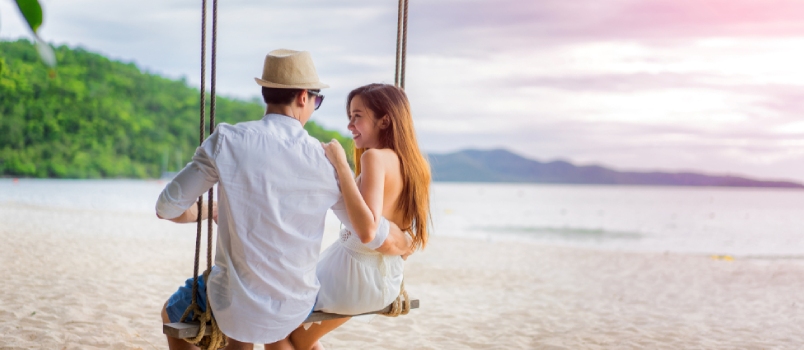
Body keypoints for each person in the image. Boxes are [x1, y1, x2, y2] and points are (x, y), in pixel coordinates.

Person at [155, 50, 412, 350]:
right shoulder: (323, 160)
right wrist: (404, 240)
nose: (314, 106)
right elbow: (365, 229)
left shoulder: (227, 140)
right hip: (296, 303)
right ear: (303, 97)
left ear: (267, 93)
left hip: (233, 303)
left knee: (173, 312)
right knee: (269, 327)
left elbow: (166, 207)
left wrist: (209, 210)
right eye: (317, 100)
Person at [287, 83, 431, 350]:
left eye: (357, 116)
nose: (350, 125)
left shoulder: (374, 158)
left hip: (354, 274)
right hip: (386, 279)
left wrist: (341, 165)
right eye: (349, 117)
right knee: (299, 338)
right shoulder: (415, 165)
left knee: (281, 333)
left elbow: (367, 231)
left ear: (385, 120)